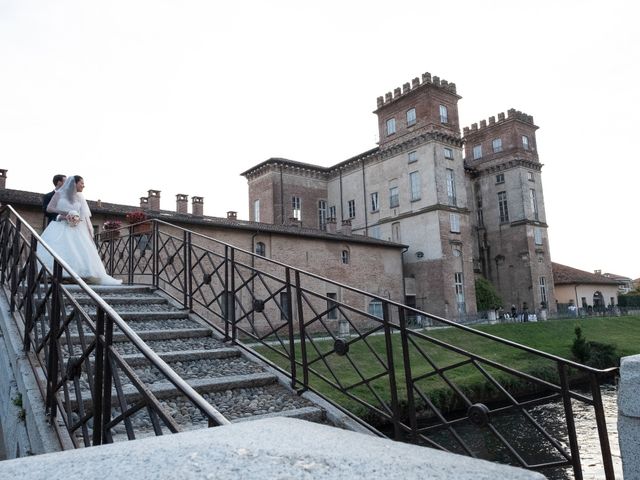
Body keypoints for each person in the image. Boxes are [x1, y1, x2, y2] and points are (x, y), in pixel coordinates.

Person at [38, 175, 121, 285]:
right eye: (81, 183)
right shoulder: (58, 194)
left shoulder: (80, 197)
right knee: (60, 249)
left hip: (76, 228)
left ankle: (76, 276)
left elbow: (84, 217)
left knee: (78, 251)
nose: (83, 185)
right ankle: (53, 274)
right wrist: (65, 214)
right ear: (74, 183)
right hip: (60, 226)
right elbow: (49, 208)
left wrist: (87, 231)